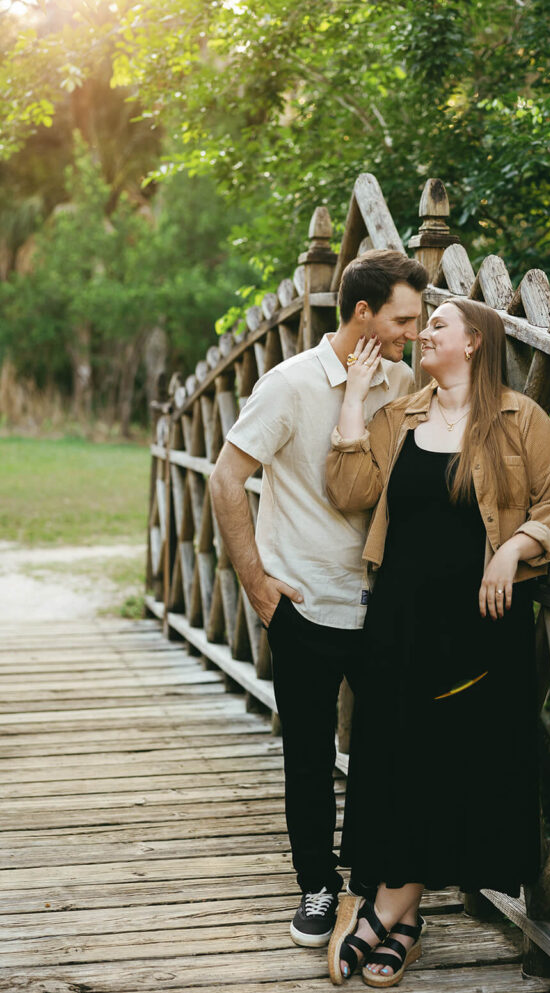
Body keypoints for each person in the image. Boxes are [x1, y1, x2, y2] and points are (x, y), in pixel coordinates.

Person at [325, 297, 550, 987]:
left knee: (448, 763)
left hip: (478, 629)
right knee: (392, 759)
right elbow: (348, 488)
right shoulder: (396, 415)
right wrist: (352, 397)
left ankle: (385, 911)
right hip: (399, 624)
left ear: (473, 343)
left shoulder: (519, 418)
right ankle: (397, 916)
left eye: (436, 324)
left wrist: (514, 548)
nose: (422, 333)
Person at [209, 249, 429, 948]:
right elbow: (225, 478)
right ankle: (315, 884)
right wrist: (256, 580)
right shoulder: (290, 385)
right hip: (303, 603)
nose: (412, 333)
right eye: (402, 319)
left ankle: (369, 885)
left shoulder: (403, 382)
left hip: (384, 601)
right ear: (362, 313)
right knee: (307, 755)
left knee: (386, 750)